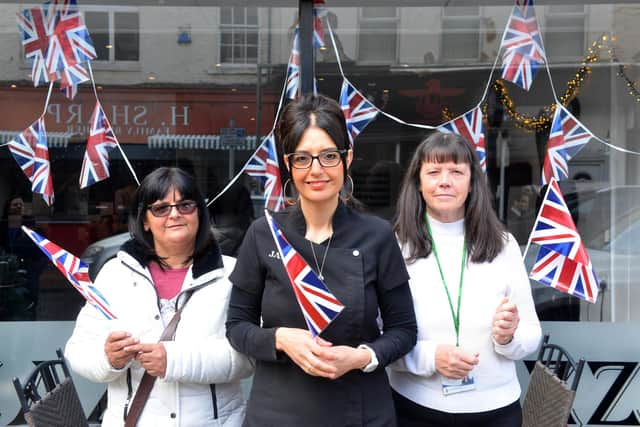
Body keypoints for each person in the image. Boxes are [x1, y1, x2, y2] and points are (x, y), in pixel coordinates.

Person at [226, 94, 417, 426]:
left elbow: (403, 330)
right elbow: (236, 327)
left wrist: (361, 357)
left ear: (347, 159)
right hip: (276, 412)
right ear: (288, 163)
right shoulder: (263, 234)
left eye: (329, 156)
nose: (316, 170)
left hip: (360, 410)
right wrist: (279, 338)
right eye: (303, 158)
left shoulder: (378, 236)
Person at [65, 167, 253, 427]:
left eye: (185, 205)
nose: (174, 214)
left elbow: (249, 356)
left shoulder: (232, 275)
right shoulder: (114, 275)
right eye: (161, 208)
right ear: (145, 220)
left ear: (199, 212)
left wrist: (173, 361)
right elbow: (78, 351)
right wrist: (108, 358)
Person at [389, 132, 541, 427]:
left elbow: (532, 335)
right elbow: (379, 338)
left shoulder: (503, 245)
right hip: (414, 408)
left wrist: (509, 337)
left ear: (472, 183)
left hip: (496, 412)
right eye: (433, 172)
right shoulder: (394, 247)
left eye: (457, 172)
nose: (445, 181)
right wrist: (431, 357)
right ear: (418, 183)